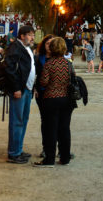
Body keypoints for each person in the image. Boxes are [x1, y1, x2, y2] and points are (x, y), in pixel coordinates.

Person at [34, 37, 74, 167]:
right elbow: (71, 79)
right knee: (64, 129)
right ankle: (65, 157)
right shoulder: (68, 64)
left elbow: (43, 82)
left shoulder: (49, 64)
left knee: (51, 129)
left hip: (51, 99)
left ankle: (49, 159)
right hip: (66, 99)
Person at [5, 25, 36, 164]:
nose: (32, 37)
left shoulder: (26, 48)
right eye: (30, 35)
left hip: (27, 89)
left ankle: (18, 149)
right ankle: (13, 153)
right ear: (22, 36)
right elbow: (10, 69)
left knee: (23, 120)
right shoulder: (15, 47)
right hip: (19, 90)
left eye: (33, 35)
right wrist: (16, 88)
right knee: (16, 121)